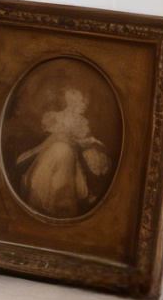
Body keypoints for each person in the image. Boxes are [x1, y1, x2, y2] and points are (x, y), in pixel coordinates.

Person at [15, 84, 111, 217]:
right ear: (74, 102)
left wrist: (95, 143)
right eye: (82, 101)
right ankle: (47, 204)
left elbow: (85, 141)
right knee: (51, 166)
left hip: (69, 155)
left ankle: (61, 206)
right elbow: (52, 139)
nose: (85, 106)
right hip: (52, 153)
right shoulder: (56, 117)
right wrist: (33, 151)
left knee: (66, 157)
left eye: (85, 103)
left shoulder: (82, 122)